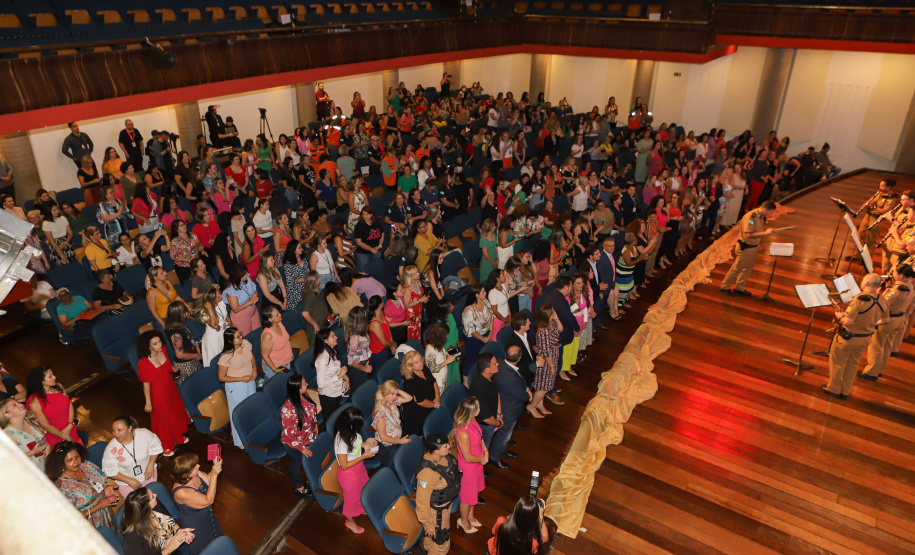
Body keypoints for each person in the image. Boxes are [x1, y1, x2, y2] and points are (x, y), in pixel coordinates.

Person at [823, 273, 888, 400]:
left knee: (838, 363)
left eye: (863, 280)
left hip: (848, 338)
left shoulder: (859, 299)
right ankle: (845, 391)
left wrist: (839, 316)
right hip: (865, 338)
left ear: (867, 284)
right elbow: (886, 320)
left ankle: (834, 389)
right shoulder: (883, 300)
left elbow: (847, 322)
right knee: (853, 364)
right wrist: (870, 323)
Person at [137, 330, 190, 456]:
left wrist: (173, 369)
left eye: (159, 341)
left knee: (174, 411)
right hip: (158, 392)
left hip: (170, 386)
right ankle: (165, 444)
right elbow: (146, 384)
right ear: (149, 346)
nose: (159, 345)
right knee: (163, 417)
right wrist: (148, 402)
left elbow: (167, 366)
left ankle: (177, 436)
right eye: (155, 344)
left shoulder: (164, 350)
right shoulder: (143, 363)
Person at [46, 441, 118, 529]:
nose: (76, 461)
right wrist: (99, 506)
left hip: (105, 512)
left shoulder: (86, 465)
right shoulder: (63, 488)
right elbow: (71, 518)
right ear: (61, 464)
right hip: (89, 523)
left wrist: (105, 488)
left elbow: (96, 485)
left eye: (77, 456)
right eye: (70, 460)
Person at [861, 265, 914, 381]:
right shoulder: (911, 286)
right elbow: (911, 306)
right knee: (887, 346)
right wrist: (905, 317)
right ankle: (879, 369)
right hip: (900, 319)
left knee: (876, 345)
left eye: (894, 272)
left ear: (900, 275)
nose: (892, 273)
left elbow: (883, 303)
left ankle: (871, 372)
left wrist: (879, 293)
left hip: (888, 321)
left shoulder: (894, 290)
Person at [334, 406, 378, 534]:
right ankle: (350, 522)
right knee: (350, 500)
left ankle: (360, 507)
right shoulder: (340, 440)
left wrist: (365, 445)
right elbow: (344, 465)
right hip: (348, 474)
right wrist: (364, 456)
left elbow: (357, 442)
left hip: (358, 469)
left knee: (362, 489)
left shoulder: (352, 431)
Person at [415, 433, 461, 554]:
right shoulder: (427, 474)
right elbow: (421, 502)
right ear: (436, 451)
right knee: (442, 543)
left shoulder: (443, 457)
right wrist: (428, 524)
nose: (448, 447)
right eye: (445, 446)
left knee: (432, 537)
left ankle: (425, 548)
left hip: (445, 505)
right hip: (437, 513)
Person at [720, 200, 776, 296]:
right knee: (737, 268)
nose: (771, 214)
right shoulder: (751, 217)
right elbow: (748, 234)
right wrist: (765, 233)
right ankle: (725, 286)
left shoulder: (761, 216)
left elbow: (757, 230)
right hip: (746, 247)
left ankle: (739, 287)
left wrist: (758, 244)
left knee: (748, 268)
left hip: (753, 247)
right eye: (771, 212)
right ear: (766, 209)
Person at [171, 452, 224, 554]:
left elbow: (208, 480)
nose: (198, 466)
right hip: (196, 526)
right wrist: (214, 475)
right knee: (204, 550)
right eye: (195, 466)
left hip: (207, 516)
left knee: (217, 543)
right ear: (187, 474)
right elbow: (208, 501)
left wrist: (214, 467)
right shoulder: (181, 492)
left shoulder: (194, 474)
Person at [120, 487, 195, 555]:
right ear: (145, 508)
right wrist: (170, 548)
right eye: (152, 496)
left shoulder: (155, 505)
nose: (155, 495)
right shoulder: (131, 537)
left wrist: (180, 532)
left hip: (175, 548)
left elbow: (171, 520)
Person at [102, 415, 163, 497]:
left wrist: (151, 463)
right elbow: (109, 471)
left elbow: (156, 447)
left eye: (119, 430)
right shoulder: (111, 448)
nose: (115, 433)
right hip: (128, 484)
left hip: (148, 475)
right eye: (113, 430)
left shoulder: (144, 434)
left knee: (154, 499)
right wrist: (129, 480)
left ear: (129, 428)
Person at [217, 327, 257, 448]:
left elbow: (252, 357)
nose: (241, 337)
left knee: (251, 408)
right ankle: (239, 440)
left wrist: (254, 369)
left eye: (240, 334)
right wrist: (241, 378)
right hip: (236, 385)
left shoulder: (246, 344)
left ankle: (251, 432)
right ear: (230, 341)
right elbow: (221, 377)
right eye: (238, 337)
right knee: (238, 412)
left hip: (249, 380)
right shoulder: (225, 357)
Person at [452, 397, 487, 534]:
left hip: (477, 463)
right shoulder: (463, 433)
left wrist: (485, 450)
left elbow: (480, 437)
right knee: (467, 498)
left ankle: (471, 515)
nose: (480, 409)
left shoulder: (472, 421)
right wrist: (481, 459)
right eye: (478, 408)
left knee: (475, 492)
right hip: (469, 468)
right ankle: (463, 521)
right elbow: (467, 457)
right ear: (473, 412)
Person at [281, 374, 319, 498]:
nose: (307, 384)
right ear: (297, 388)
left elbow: (312, 411)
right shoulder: (288, 409)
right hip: (294, 444)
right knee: (296, 464)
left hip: (309, 437)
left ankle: (309, 480)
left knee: (309, 461)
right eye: (304, 384)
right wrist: (302, 448)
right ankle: (299, 488)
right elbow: (289, 435)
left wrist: (316, 425)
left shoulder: (304, 395)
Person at [491, 347, 530, 467]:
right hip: (508, 410)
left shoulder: (500, 362)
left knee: (505, 435)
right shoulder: (511, 379)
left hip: (502, 401)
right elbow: (524, 397)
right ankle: (495, 457)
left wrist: (526, 387)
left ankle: (502, 450)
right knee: (503, 435)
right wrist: (527, 393)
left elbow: (519, 375)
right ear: (519, 358)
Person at [26, 365, 81, 449]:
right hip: (55, 435)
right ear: (41, 381)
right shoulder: (35, 402)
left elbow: (69, 405)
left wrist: (70, 425)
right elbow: (46, 426)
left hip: (69, 427)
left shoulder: (59, 386)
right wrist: (66, 437)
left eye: (53, 374)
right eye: (50, 376)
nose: (54, 377)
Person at [371, 380, 412, 468]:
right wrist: (400, 441)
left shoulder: (391, 401)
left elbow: (409, 398)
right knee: (389, 469)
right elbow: (384, 437)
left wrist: (396, 390)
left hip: (396, 440)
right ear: (385, 393)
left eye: (396, 394)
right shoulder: (380, 412)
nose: (395, 397)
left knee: (397, 464)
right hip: (388, 447)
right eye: (392, 394)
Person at [0, 398, 49, 471]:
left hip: (48, 469)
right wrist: (32, 452)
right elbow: (10, 461)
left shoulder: (30, 422)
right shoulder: (8, 435)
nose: (21, 404)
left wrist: (47, 448)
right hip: (34, 475)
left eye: (18, 402)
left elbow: (43, 440)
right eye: (14, 405)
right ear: (7, 414)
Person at [400, 351, 441, 437]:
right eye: (416, 362)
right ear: (410, 366)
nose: (421, 363)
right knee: (422, 435)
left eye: (420, 360)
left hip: (431, 403)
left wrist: (437, 398)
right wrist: (434, 404)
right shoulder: (410, 380)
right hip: (417, 412)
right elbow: (420, 401)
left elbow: (433, 382)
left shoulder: (423, 367)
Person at [164, 301, 202, 386]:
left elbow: (188, 338)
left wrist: (196, 347)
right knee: (194, 387)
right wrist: (196, 356)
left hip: (192, 357)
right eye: (184, 311)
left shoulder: (179, 324)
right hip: (186, 365)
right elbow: (180, 355)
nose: (186, 313)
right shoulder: (175, 333)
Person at [858, 179, 899, 255]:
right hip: (868, 215)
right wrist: (867, 204)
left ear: (889, 187)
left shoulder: (891, 197)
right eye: (880, 185)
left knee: (871, 240)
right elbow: (871, 204)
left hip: (877, 219)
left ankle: (867, 258)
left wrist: (874, 206)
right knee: (860, 235)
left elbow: (885, 211)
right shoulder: (879, 193)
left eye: (883, 186)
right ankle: (857, 255)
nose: (880, 188)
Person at [315, 327, 349, 417]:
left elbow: (337, 369)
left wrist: (346, 379)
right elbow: (321, 384)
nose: (336, 337)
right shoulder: (322, 359)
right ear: (325, 341)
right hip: (328, 395)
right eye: (333, 336)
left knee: (337, 417)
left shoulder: (333, 350)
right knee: (331, 420)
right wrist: (339, 376)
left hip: (337, 390)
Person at [223, 264, 260, 337]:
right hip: (241, 316)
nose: (247, 275)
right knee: (247, 337)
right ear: (238, 277)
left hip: (253, 311)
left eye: (247, 273)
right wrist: (250, 301)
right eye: (245, 275)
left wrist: (255, 295)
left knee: (258, 333)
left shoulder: (247, 279)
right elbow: (235, 309)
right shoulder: (231, 290)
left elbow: (255, 291)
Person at [261, 305, 294, 379]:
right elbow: (265, 356)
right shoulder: (268, 335)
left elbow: (285, 341)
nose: (280, 315)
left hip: (286, 362)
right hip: (275, 366)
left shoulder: (279, 323)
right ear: (270, 319)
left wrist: (290, 354)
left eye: (279, 313)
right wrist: (274, 369)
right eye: (277, 315)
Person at [299, 271, 329, 349]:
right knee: (315, 347)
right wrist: (315, 324)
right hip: (315, 327)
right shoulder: (309, 294)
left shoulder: (314, 291)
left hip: (321, 323)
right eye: (318, 277)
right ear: (316, 280)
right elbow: (305, 313)